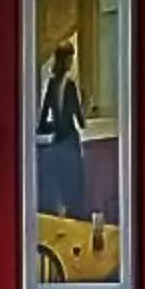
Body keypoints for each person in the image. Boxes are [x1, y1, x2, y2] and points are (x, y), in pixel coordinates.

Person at [36, 37, 91, 226]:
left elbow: (43, 120)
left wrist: (53, 126)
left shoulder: (51, 84)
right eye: (71, 58)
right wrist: (85, 105)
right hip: (70, 142)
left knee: (60, 189)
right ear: (66, 60)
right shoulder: (70, 86)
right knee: (75, 187)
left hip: (57, 142)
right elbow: (80, 121)